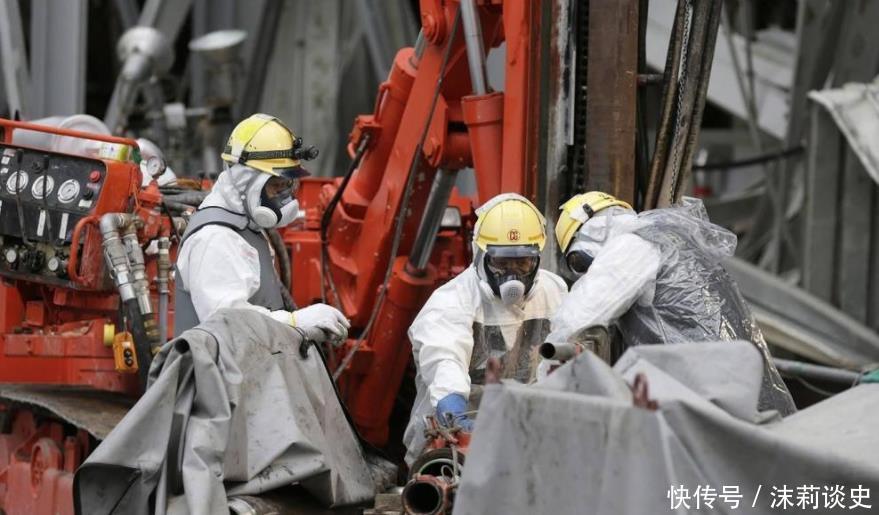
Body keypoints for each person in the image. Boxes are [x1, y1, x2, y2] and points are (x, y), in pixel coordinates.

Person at [547, 191, 796, 415]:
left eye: (579, 263)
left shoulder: (630, 247)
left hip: (709, 402)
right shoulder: (670, 238)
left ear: (591, 234)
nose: (586, 272)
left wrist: (540, 383)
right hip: (746, 395)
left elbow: (576, 319)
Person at [403, 193, 567, 464]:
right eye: (502, 264)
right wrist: (457, 418)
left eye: (522, 263)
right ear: (480, 255)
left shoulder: (553, 291)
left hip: (529, 441)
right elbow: (445, 363)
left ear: (536, 259)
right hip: (454, 443)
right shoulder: (451, 302)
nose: (513, 276)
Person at [175, 113, 349, 339]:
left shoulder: (245, 226)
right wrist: (295, 322)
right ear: (246, 180)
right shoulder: (215, 238)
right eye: (276, 186)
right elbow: (228, 326)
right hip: (216, 373)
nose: (284, 196)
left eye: (288, 185)